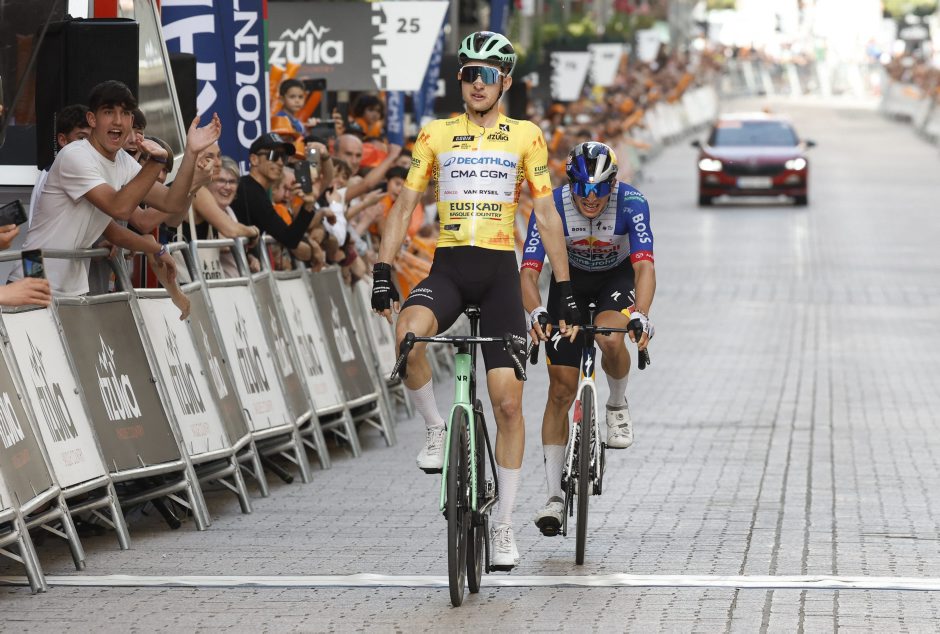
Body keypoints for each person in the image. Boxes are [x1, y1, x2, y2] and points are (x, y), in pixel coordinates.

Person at [371, 31, 581, 570]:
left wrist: (563, 289)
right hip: (449, 268)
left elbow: (546, 215)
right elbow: (404, 206)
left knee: (508, 403)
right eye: (468, 74)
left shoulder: (526, 136)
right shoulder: (436, 133)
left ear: (504, 81)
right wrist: (382, 270)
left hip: (497, 275)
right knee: (408, 335)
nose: (477, 84)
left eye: (488, 75)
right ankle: (436, 428)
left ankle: (505, 525)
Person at [519, 141, 656, 537]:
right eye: (582, 189)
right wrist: (535, 311)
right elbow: (529, 271)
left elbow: (644, 268)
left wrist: (641, 314)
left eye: (600, 189)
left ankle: (616, 403)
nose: (591, 198)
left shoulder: (632, 202)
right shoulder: (552, 205)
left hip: (616, 278)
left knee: (611, 339)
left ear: (613, 184)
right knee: (560, 391)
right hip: (570, 283)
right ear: (570, 185)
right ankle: (553, 497)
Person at [8, 80, 220, 309]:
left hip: (71, 288)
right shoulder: (74, 155)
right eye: (109, 112)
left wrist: (191, 153)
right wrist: (156, 162)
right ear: (92, 119)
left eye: (125, 113)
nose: (118, 120)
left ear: (131, 121)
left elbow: (171, 203)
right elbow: (120, 208)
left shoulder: (123, 161)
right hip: (33, 275)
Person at [29, 104, 91, 226]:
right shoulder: (61, 172)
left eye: (93, 138)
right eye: (82, 138)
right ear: (63, 140)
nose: (89, 145)